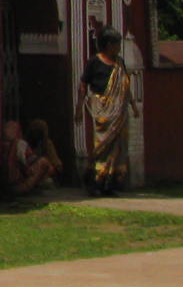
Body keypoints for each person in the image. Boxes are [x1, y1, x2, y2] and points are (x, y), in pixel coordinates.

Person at [77, 28, 133, 196]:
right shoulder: (95, 62)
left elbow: (125, 86)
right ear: (109, 45)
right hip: (102, 111)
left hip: (119, 113)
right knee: (100, 148)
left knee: (117, 149)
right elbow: (83, 84)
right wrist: (79, 108)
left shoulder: (119, 63)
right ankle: (94, 183)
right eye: (117, 44)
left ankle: (109, 185)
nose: (119, 48)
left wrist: (134, 106)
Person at [0, 119, 55, 196]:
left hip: (2, 186)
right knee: (44, 164)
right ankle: (26, 188)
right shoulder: (20, 144)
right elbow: (34, 162)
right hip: (17, 184)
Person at [26, 118, 64, 182]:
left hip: (45, 173)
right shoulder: (25, 144)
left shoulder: (47, 143)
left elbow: (56, 165)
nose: (37, 134)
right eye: (35, 131)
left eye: (39, 132)